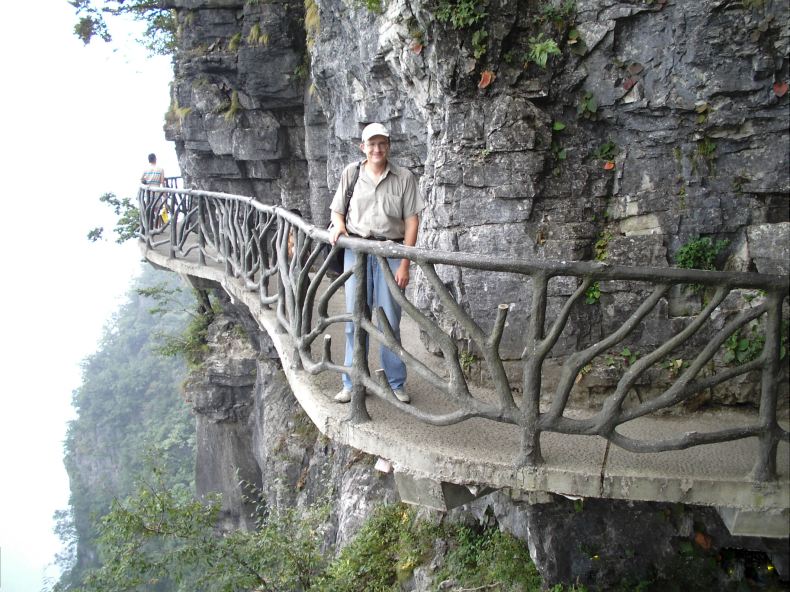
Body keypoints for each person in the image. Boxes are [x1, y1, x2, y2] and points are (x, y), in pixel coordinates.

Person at [328, 123, 425, 404]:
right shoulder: (351, 173)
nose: (376, 149)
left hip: (391, 252)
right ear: (363, 147)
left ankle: (395, 382)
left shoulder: (404, 177)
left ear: (389, 146)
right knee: (353, 318)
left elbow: (412, 221)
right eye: (371, 144)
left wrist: (405, 263)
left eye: (381, 143)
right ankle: (353, 380)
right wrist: (338, 226)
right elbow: (337, 210)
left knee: (389, 320)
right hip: (356, 251)